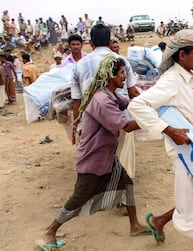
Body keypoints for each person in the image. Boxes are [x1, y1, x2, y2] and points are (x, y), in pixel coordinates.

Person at [41, 54, 144, 250]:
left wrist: (147, 101)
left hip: (106, 156)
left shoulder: (110, 94)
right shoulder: (102, 100)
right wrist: (154, 121)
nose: (125, 76)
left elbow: (128, 103)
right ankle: (50, 230)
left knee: (127, 183)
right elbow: (127, 126)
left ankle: (135, 225)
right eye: (122, 73)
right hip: (94, 159)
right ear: (111, 75)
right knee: (79, 198)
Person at [128, 29, 193, 251]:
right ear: (182, 55)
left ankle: (160, 220)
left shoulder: (191, 76)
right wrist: (168, 130)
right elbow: (137, 105)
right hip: (185, 152)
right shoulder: (171, 80)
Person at [70, 24, 145, 236]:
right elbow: (131, 92)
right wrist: (146, 110)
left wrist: (77, 124)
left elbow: (77, 100)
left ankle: (98, 196)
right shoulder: (121, 62)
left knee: (97, 157)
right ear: (110, 40)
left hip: (92, 120)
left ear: (90, 43)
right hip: (118, 117)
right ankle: (122, 202)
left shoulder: (79, 65)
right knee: (123, 156)